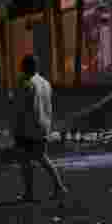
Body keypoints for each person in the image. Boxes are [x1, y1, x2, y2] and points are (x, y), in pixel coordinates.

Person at [11, 54, 68, 203]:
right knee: (42, 157)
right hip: (43, 126)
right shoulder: (45, 83)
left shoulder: (25, 83)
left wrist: (15, 127)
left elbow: (20, 108)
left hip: (27, 127)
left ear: (24, 67)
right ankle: (59, 187)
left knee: (25, 160)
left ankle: (29, 192)